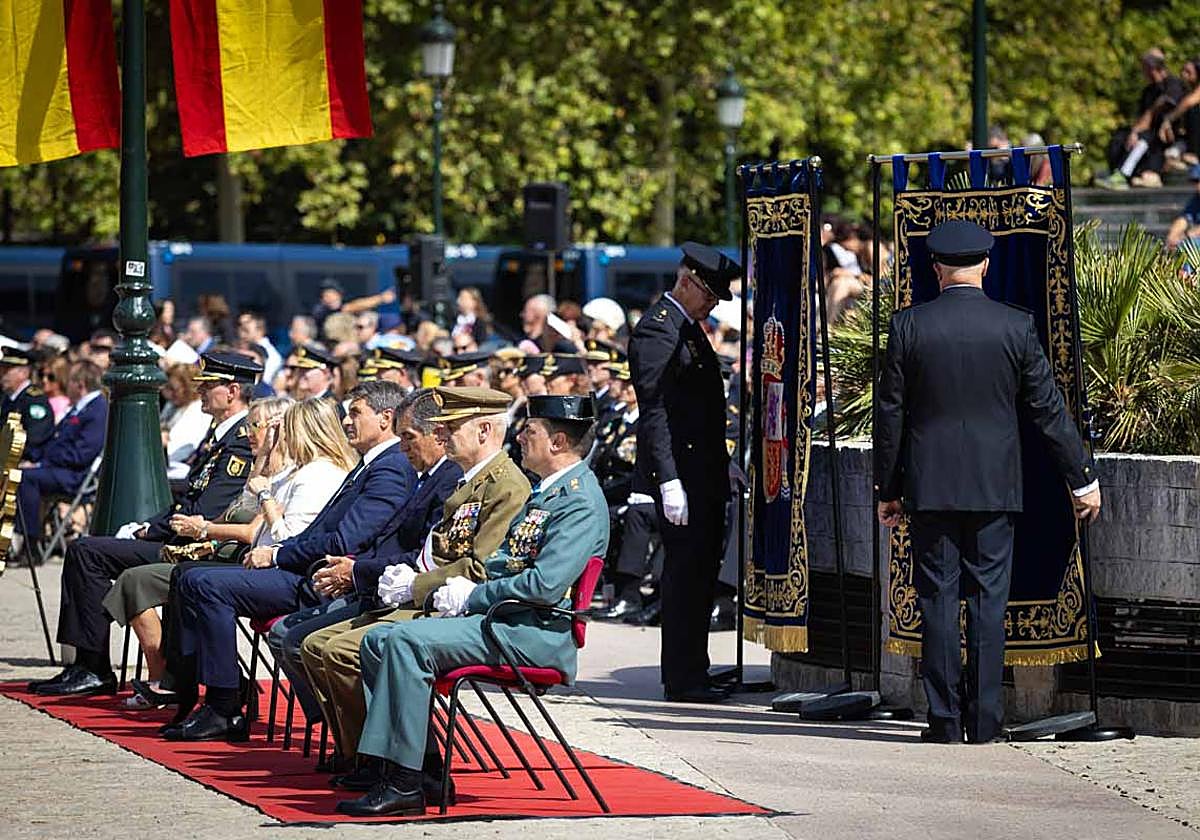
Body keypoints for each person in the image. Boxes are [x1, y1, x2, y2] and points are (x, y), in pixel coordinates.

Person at [874, 220, 1102, 744]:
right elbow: (1048, 410)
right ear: (986, 266)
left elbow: (891, 416)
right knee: (988, 603)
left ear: (935, 270)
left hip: (931, 487)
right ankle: (984, 722)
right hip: (995, 486)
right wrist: (1081, 478)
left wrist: (888, 490)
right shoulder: (1015, 326)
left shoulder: (908, 326)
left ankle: (944, 721)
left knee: (935, 599)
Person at [336, 394, 607, 817]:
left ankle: (404, 783)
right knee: (379, 639)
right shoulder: (547, 493)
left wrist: (472, 595)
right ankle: (421, 767)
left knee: (405, 640)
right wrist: (460, 587)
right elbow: (502, 562)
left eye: (530, 431)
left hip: (534, 631)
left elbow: (545, 585)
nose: (519, 436)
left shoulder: (578, 501)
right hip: (508, 620)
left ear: (557, 442)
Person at [299, 387, 530, 781]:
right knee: (318, 643)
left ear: (484, 430)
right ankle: (373, 757)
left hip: (451, 604)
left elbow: (479, 567)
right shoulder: (469, 482)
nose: (443, 435)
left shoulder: (506, 487)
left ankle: (395, 763)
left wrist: (413, 584)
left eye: (452, 427)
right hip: (428, 594)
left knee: (344, 650)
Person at [164, 381, 415, 741]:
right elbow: (321, 531)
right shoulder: (370, 464)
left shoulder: (388, 467)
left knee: (204, 583)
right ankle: (217, 697)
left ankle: (225, 704)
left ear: (385, 418)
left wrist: (278, 554)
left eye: (355, 413)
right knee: (192, 578)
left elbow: (346, 540)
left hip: (327, 578)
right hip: (311, 568)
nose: (347, 422)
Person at [30, 352, 260, 696]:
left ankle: (93, 667)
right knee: (87, 551)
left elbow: (206, 510)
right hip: (181, 537)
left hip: (198, 547)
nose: (200, 392)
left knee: (85, 552)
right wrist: (146, 524)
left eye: (209, 386)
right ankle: (86, 664)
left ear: (231, 391)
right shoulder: (221, 435)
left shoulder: (239, 441)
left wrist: (150, 530)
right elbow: (188, 497)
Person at [264, 388, 462, 731]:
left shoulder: (443, 479)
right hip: (375, 583)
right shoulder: (426, 475)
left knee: (308, 642)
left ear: (438, 435)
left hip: (404, 593)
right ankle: (348, 739)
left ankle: (365, 748)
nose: (403, 448)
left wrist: (355, 571)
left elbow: (426, 557)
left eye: (409, 438)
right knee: (291, 634)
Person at [107, 395, 295, 706]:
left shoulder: (284, 478)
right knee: (139, 577)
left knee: (178, 581)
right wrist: (197, 526)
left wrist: (203, 529)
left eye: (255, 426)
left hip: (242, 562)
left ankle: (176, 683)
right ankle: (170, 678)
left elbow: (251, 532)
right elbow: (228, 514)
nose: (248, 433)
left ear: (279, 430)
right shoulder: (261, 472)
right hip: (215, 555)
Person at [629, 242, 739, 704]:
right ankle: (682, 676)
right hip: (683, 475)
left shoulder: (687, 328)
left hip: (703, 472)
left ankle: (696, 667)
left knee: (699, 576)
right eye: (709, 294)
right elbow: (655, 411)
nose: (713, 303)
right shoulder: (659, 331)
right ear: (688, 282)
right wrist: (668, 479)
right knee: (684, 576)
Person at [13, 361, 107, 565]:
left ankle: (29, 544)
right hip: (59, 468)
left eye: (70, 382)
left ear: (80, 384)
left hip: (75, 475)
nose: (66, 386)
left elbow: (81, 454)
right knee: (18, 473)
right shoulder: (79, 408)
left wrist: (42, 464)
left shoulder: (97, 409)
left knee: (25, 479)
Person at [1100, 51, 1188, 189]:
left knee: (1143, 138)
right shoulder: (1148, 91)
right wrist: (1133, 132)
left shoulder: (1172, 83)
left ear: (1152, 68)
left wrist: (1142, 127)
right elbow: (1143, 117)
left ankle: (1123, 174)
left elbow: (1165, 104)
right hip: (1151, 133)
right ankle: (1114, 171)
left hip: (1168, 136)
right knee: (1120, 136)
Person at [1, 346, 54, 462]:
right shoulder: (7, 397)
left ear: (24, 373)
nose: (2, 375)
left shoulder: (35, 400)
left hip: (20, 461)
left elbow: (36, 439)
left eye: (6, 370)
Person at [160, 364, 211, 481]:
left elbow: (179, 450)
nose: (168, 394)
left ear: (188, 387)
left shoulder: (199, 412)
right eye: (167, 388)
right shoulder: (172, 405)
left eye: (174, 389)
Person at [237, 311, 283, 382]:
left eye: (246, 330)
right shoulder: (240, 348)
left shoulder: (272, 356)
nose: (241, 334)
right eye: (240, 328)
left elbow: (264, 381)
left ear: (260, 330)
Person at [1166, 164, 1200, 251]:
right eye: (1195, 181)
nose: (1197, 185)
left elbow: (1194, 233)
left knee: (1190, 245)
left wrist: (1185, 236)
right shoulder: (1197, 199)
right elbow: (1183, 219)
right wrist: (1172, 237)